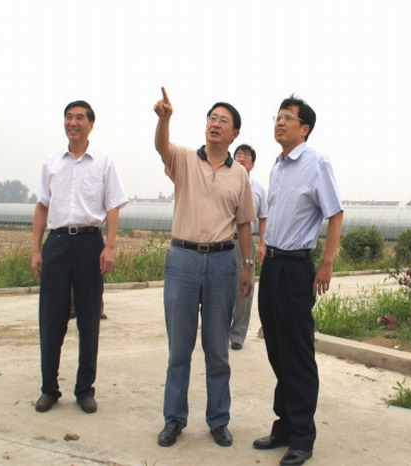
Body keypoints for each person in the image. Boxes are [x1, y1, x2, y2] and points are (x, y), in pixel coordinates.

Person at [153, 87, 256, 448]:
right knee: (179, 350)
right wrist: (164, 119)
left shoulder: (239, 175)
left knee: (217, 349)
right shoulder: (184, 159)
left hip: (221, 264)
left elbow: (244, 224)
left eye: (223, 121)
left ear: (234, 133)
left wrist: (247, 267)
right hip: (182, 260)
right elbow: (161, 147)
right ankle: (174, 419)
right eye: (212, 118)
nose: (215, 124)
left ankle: (218, 420)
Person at [254, 95, 343, 466]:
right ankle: (285, 425)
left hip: (296, 269)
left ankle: (303, 437)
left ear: (304, 128)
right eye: (278, 116)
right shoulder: (276, 167)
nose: (280, 122)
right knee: (276, 348)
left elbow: (335, 214)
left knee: (298, 354)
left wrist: (326, 263)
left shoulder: (316, 163)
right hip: (272, 266)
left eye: (288, 117)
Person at [31, 100, 128, 414]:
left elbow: (113, 206)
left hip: (89, 245)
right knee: (51, 318)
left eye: (79, 118)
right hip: (57, 244)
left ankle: (85, 389)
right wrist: (36, 249)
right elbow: (42, 206)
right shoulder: (52, 163)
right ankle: (49, 389)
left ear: (91, 124)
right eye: (68, 117)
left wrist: (109, 247)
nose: (72, 122)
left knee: (89, 318)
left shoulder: (103, 162)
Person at [229, 144, 268, 350]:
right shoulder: (223, 181)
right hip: (222, 241)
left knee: (245, 289)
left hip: (244, 244)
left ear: (252, 164)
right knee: (218, 288)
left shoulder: (258, 189)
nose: (241, 158)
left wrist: (262, 243)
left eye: (246, 156)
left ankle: (237, 335)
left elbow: (263, 218)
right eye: (238, 155)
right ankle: (217, 331)